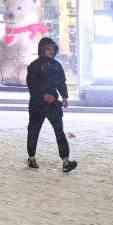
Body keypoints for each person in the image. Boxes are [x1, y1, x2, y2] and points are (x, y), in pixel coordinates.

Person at [26, 37, 76, 172]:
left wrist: (65, 97)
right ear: (41, 49)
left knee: (59, 131)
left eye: (52, 49)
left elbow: (61, 83)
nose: (50, 51)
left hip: (53, 104)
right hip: (37, 104)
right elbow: (32, 85)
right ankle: (31, 157)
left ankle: (66, 161)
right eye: (48, 49)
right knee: (33, 131)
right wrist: (43, 95)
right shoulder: (34, 66)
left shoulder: (56, 65)